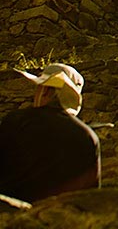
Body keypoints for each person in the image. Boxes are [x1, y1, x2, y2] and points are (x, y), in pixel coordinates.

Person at [0, 64, 99, 203]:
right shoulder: (87, 136)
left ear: (45, 90)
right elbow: (90, 195)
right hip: (59, 218)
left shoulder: (17, 121)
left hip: (10, 216)